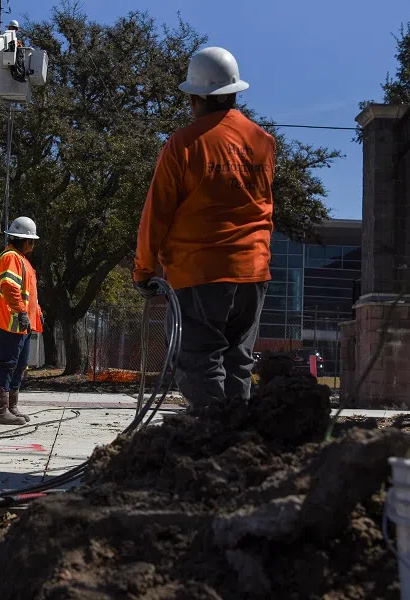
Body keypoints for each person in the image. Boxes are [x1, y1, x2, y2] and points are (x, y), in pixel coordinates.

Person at [133, 47, 276, 410]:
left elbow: (157, 212)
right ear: (234, 92)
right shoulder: (262, 141)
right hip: (252, 272)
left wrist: (144, 270)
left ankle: (213, 444)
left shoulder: (184, 144)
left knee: (199, 361)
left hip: (200, 271)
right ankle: (236, 449)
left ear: (195, 97)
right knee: (237, 361)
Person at [0, 216, 43, 425]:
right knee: (8, 364)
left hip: (21, 323)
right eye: (32, 241)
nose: (33, 245)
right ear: (26, 241)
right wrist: (21, 311)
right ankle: (0, 411)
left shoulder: (22, 260)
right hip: (11, 320)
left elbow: (28, 293)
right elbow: (9, 287)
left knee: (19, 365)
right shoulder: (11, 257)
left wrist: (36, 311)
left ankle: (10, 407)